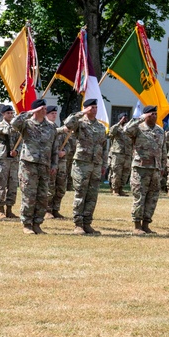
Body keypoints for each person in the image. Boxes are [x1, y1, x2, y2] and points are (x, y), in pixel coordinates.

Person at [11, 99, 59, 235]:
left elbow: (54, 147)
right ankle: (27, 224)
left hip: (44, 165)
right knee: (29, 195)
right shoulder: (27, 124)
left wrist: (54, 164)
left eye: (45, 109)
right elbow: (15, 123)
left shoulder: (51, 127)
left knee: (42, 196)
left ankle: (37, 223)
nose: (45, 110)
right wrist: (30, 112)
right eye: (42, 108)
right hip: (29, 165)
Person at [64, 99, 108, 235]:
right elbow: (68, 124)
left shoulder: (101, 127)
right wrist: (81, 113)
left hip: (96, 164)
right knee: (80, 194)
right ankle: (78, 224)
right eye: (91, 107)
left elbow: (104, 146)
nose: (94, 110)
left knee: (92, 195)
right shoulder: (80, 123)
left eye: (95, 107)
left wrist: (104, 164)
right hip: (82, 163)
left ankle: (87, 223)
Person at [123, 105, 166, 234]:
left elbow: (163, 150)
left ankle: (146, 224)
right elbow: (126, 129)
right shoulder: (138, 129)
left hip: (155, 169)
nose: (154, 116)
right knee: (139, 197)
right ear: (146, 115)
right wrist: (139, 119)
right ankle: (137, 225)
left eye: (155, 114)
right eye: (151, 114)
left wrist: (162, 166)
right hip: (140, 168)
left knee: (152, 198)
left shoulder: (160, 131)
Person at [0, 105, 19, 219]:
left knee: (12, 185)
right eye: (8, 113)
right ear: (3, 114)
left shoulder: (16, 127)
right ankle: (1, 210)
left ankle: (9, 209)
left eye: (12, 113)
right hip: (2, 158)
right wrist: (19, 122)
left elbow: (20, 140)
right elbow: (7, 131)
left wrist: (17, 151)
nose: (10, 115)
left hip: (13, 159)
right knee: (1, 184)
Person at [46, 106, 72, 219]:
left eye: (55, 113)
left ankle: (55, 209)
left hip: (61, 162)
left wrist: (65, 151)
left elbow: (69, 145)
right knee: (49, 187)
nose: (54, 115)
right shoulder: (46, 127)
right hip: (50, 161)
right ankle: (47, 209)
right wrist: (57, 152)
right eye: (51, 113)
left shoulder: (57, 128)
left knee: (61, 187)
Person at [106, 113, 132, 196]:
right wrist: (119, 123)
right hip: (117, 154)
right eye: (124, 118)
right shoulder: (116, 128)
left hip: (127, 154)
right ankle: (115, 189)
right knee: (116, 172)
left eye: (126, 118)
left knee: (125, 172)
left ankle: (121, 189)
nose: (125, 119)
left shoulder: (129, 129)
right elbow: (111, 133)